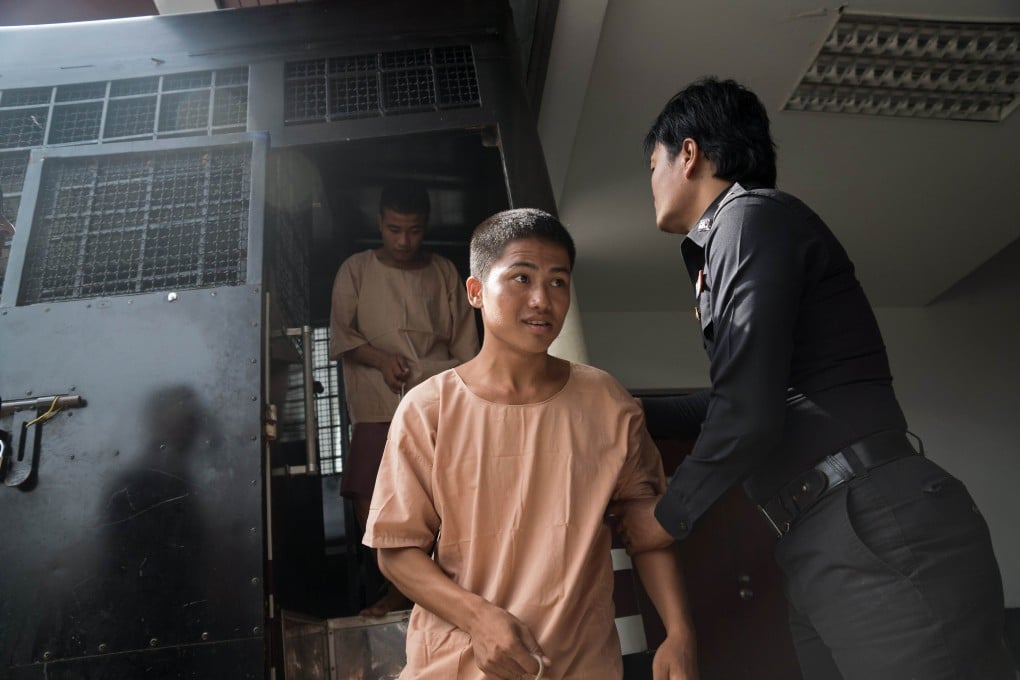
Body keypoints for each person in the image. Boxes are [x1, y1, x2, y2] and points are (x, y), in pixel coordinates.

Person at [610, 77, 1013, 679]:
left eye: (652, 165)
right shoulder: (736, 234)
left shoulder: (747, 218)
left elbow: (747, 413)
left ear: (687, 154)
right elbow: (736, 400)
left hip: (870, 521)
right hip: (823, 532)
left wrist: (667, 517)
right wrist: (615, 406)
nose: (652, 183)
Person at [363, 208, 698, 679]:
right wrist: (478, 618)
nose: (542, 299)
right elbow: (396, 550)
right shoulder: (428, 410)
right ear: (476, 291)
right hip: (457, 666)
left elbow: (646, 530)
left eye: (558, 282)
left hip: (582, 666)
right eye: (521, 278)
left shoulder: (607, 402)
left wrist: (679, 633)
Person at [329, 181, 480, 616]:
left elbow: (467, 349)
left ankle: (442, 586)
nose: (403, 240)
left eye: (413, 230)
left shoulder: (445, 272)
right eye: (394, 229)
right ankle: (399, 586)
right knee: (369, 492)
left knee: (440, 496)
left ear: (426, 227)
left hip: (438, 403)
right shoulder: (355, 270)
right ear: (379, 222)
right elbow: (341, 336)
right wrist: (377, 358)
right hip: (377, 405)